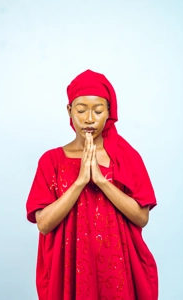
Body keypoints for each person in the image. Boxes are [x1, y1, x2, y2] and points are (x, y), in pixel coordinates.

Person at [26, 70, 158, 300]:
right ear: (69, 110)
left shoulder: (126, 157)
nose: (89, 119)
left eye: (98, 111)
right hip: (70, 267)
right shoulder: (51, 161)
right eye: (80, 110)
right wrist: (79, 183)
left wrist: (100, 180)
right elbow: (44, 224)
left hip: (117, 269)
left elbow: (142, 218)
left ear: (109, 112)